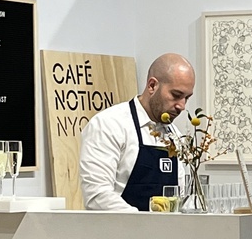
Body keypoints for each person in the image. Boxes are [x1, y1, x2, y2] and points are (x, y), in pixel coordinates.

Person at [79, 53, 195, 211]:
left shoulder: (176, 136)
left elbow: (182, 196)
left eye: (186, 98)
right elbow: (97, 196)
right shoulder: (109, 125)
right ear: (152, 86)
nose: (181, 106)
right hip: (119, 227)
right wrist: (143, 222)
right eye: (176, 95)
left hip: (165, 227)